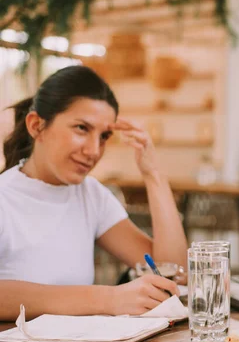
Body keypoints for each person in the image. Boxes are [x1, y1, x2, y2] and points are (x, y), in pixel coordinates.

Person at [0, 65, 188, 321]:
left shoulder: (90, 195)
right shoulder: (5, 198)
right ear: (36, 125)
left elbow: (175, 272)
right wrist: (109, 299)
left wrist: (153, 175)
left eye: (103, 136)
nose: (93, 150)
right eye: (81, 128)